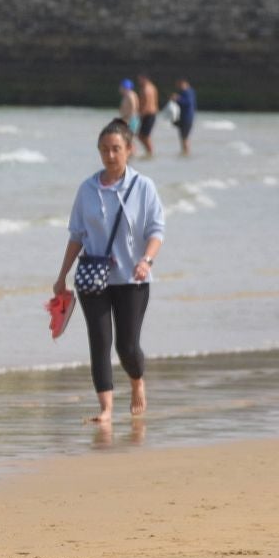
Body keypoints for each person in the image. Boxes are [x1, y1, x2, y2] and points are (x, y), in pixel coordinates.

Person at [53, 118, 165, 425]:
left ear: (129, 150)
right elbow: (76, 235)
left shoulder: (143, 187)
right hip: (93, 278)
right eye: (104, 149)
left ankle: (137, 380)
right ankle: (106, 410)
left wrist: (146, 260)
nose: (110, 155)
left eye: (116, 149)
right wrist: (62, 275)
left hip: (132, 278)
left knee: (126, 345)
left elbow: (157, 231)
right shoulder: (87, 189)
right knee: (99, 342)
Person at [135, 73, 159, 158]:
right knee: (142, 135)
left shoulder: (146, 89)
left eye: (140, 79)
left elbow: (147, 104)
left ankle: (150, 152)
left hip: (148, 114)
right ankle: (149, 152)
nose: (139, 81)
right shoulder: (152, 87)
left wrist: (140, 115)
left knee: (144, 135)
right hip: (151, 113)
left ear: (145, 78)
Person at [170, 78, 197, 155]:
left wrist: (177, 99)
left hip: (187, 118)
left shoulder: (187, 92)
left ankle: (186, 152)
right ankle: (184, 152)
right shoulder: (188, 92)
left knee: (184, 137)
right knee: (183, 137)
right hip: (185, 117)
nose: (179, 86)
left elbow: (187, 103)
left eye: (180, 84)